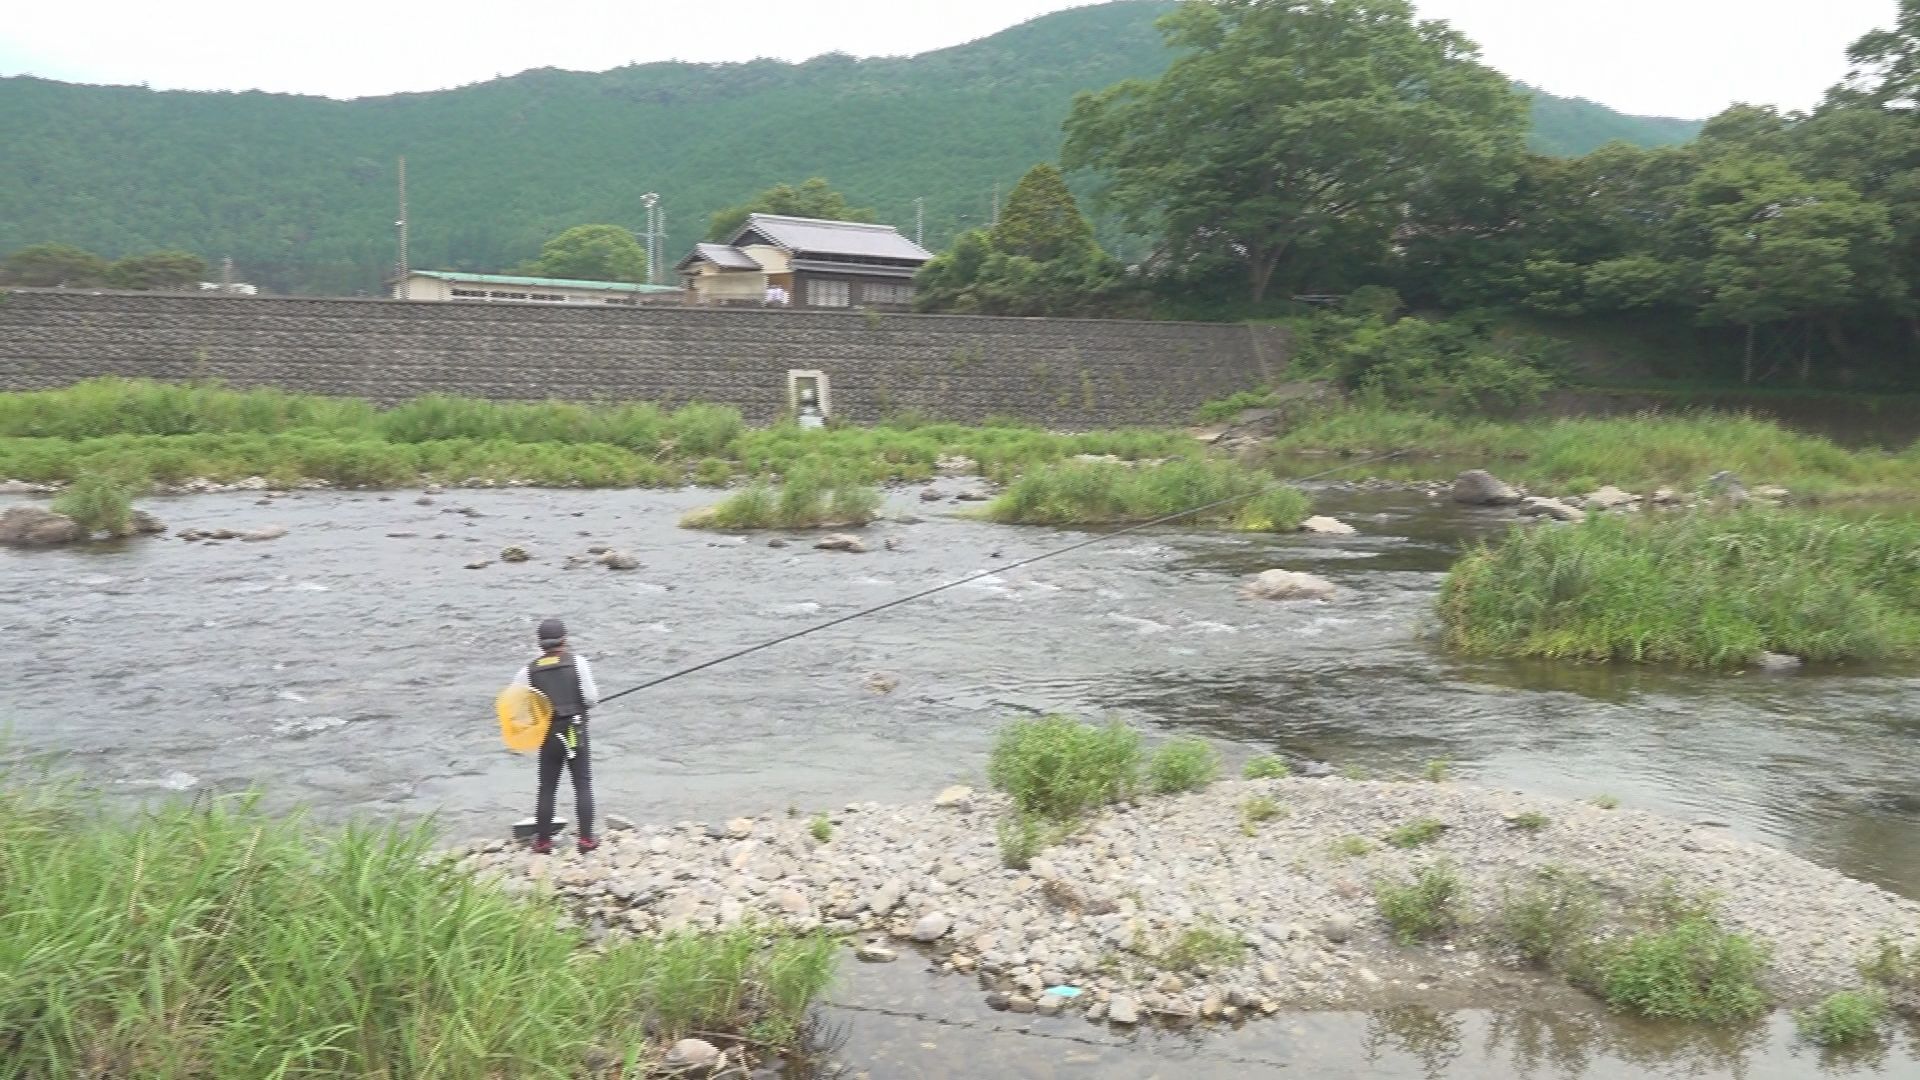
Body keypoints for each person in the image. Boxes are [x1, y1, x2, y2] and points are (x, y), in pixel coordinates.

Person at [510, 617, 601, 854]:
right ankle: (586, 840)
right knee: (582, 784)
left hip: (549, 734)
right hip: (574, 730)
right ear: (564, 639)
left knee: (547, 786)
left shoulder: (526, 672)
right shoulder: (578, 663)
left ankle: (542, 842)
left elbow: (518, 709)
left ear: (540, 644)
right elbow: (591, 699)